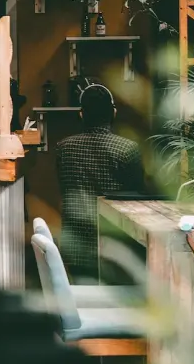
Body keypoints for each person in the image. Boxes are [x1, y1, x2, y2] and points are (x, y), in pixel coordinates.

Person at [55, 84, 145, 279]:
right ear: (113, 112)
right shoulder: (127, 149)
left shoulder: (63, 148)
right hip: (115, 248)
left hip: (75, 245)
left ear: (81, 114)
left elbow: (63, 189)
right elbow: (139, 197)